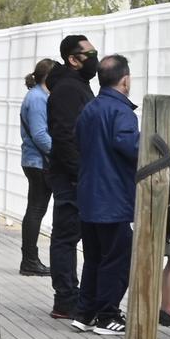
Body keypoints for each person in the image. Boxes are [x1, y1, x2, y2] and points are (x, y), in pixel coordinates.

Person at [72, 55, 140, 335]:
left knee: (94, 256)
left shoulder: (90, 109)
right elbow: (130, 146)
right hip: (114, 197)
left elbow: (78, 141)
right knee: (116, 257)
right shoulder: (121, 112)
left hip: (89, 195)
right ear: (125, 80)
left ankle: (85, 312)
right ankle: (107, 314)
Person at [45, 34, 98, 319]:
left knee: (76, 236)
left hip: (78, 175)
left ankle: (75, 295)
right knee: (66, 237)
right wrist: (80, 174)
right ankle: (65, 297)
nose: (94, 59)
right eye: (89, 54)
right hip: (72, 178)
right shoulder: (68, 89)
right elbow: (64, 136)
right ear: (73, 59)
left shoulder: (78, 86)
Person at [18, 58, 56, 276]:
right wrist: (59, 153)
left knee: (35, 209)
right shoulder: (38, 99)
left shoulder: (37, 96)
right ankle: (30, 260)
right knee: (36, 209)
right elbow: (40, 134)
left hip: (35, 159)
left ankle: (30, 259)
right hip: (39, 161)